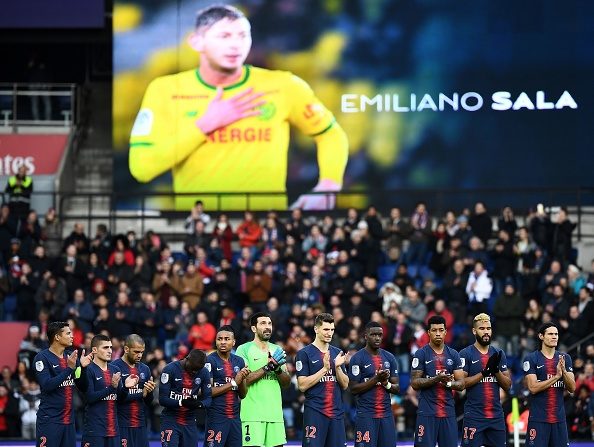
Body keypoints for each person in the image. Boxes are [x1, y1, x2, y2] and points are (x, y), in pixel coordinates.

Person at [128, 4, 348, 211]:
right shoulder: (166, 90)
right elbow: (142, 168)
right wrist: (205, 125)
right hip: (200, 228)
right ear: (197, 42)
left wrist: (329, 186)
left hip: (265, 228)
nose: (236, 44)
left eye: (243, 36)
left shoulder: (284, 85)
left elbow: (330, 134)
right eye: (224, 36)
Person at [33, 321, 93, 447]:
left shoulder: (71, 357)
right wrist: (69, 369)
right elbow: (47, 385)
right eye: (68, 333)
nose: (72, 336)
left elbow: (82, 386)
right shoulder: (42, 358)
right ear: (57, 337)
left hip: (69, 422)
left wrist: (83, 367)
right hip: (50, 421)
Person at [235, 312, 290, 447]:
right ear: (254, 328)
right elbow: (243, 379)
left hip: (275, 415)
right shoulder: (244, 349)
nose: (267, 327)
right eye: (263, 323)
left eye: (269, 324)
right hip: (252, 415)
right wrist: (268, 367)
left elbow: (286, 382)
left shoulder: (277, 349)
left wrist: (277, 369)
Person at [295, 313, 349, 447]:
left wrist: (337, 368)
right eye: (326, 329)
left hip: (336, 414)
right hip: (315, 412)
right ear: (316, 329)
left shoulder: (337, 353)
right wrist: (324, 369)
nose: (329, 333)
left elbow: (345, 384)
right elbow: (302, 385)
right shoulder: (304, 353)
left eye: (332, 330)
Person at [410, 315, 465, 447]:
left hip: (448, 412)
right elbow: (415, 384)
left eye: (441, 330)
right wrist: (437, 379)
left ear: (446, 332)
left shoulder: (454, 354)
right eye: (434, 330)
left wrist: (449, 383)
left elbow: (461, 384)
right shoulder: (421, 354)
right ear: (428, 333)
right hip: (427, 412)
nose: (438, 333)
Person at [459, 313, 511, 447]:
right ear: (474, 331)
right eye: (482, 329)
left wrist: (496, 371)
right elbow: (461, 384)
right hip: (474, 416)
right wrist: (484, 373)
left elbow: (508, 385)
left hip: (496, 416)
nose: (486, 331)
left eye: (488, 328)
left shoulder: (498, 353)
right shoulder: (465, 353)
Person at [523, 322, 576, 447]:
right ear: (541, 336)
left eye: (556, 334)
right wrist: (557, 377)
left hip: (559, 420)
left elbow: (572, 388)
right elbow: (533, 388)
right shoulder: (531, 358)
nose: (554, 337)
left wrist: (563, 372)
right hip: (539, 420)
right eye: (551, 334)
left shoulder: (565, 358)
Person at [82, 334, 139, 447]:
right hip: (95, 431)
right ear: (94, 350)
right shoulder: (88, 369)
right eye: (105, 347)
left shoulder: (115, 369)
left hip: (114, 430)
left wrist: (126, 388)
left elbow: (120, 398)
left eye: (110, 347)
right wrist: (111, 388)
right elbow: (89, 398)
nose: (109, 351)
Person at [348, 321, 399, 447]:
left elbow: (396, 388)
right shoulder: (357, 358)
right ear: (366, 336)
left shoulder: (390, 357)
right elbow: (353, 389)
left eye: (380, 335)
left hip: (386, 415)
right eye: (373, 334)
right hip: (366, 415)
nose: (377, 338)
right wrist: (376, 379)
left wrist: (385, 383)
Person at [205, 325, 250, 447]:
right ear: (216, 341)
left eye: (227, 339)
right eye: (219, 339)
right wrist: (234, 382)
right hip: (216, 417)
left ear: (233, 342)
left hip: (235, 418)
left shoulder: (239, 361)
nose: (223, 342)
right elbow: (207, 392)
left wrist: (242, 379)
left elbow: (243, 394)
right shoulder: (210, 361)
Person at [158, 348, 212, 447]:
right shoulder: (170, 369)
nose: (195, 372)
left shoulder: (204, 372)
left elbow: (208, 398)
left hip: (190, 421)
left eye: (198, 370)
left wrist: (199, 404)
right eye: (193, 368)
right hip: (170, 419)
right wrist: (181, 402)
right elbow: (162, 399)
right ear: (187, 359)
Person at [112, 334, 156, 447]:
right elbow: (117, 398)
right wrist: (142, 393)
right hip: (121, 425)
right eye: (136, 352)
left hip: (141, 424)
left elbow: (148, 401)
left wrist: (149, 391)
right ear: (126, 349)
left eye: (142, 352)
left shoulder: (145, 369)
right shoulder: (114, 367)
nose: (140, 355)